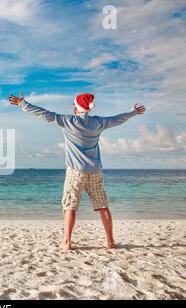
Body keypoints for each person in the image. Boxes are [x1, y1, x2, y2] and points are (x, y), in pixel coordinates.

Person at [9, 92, 146, 250]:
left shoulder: (69, 121)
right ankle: (110, 241)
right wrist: (133, 112)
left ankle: (67, 242)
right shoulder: (98, 122)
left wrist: (23, 104)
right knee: (103, 206)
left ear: (76, 108)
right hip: (95, 171)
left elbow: (45, 114)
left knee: (70, 206)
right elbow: (117, 119)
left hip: (76, 171)